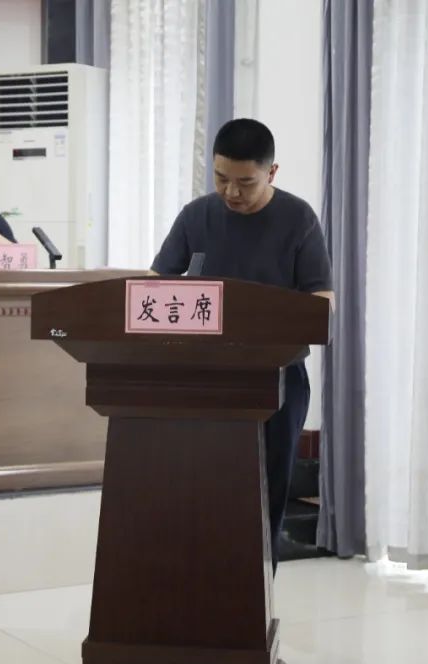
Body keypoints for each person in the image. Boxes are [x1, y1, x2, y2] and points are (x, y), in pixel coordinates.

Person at [150, 118, 333, 571]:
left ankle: (257, 584)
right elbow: (154, 287)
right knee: (202, 487)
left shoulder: (298, 219)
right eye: (221, 179)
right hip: (204, 377)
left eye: (245, 183)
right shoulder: (196, 216)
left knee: (266, 489)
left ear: (272, 172)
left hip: (278, 379)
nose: (231, 192)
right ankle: (201, 581)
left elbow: (321, 301)